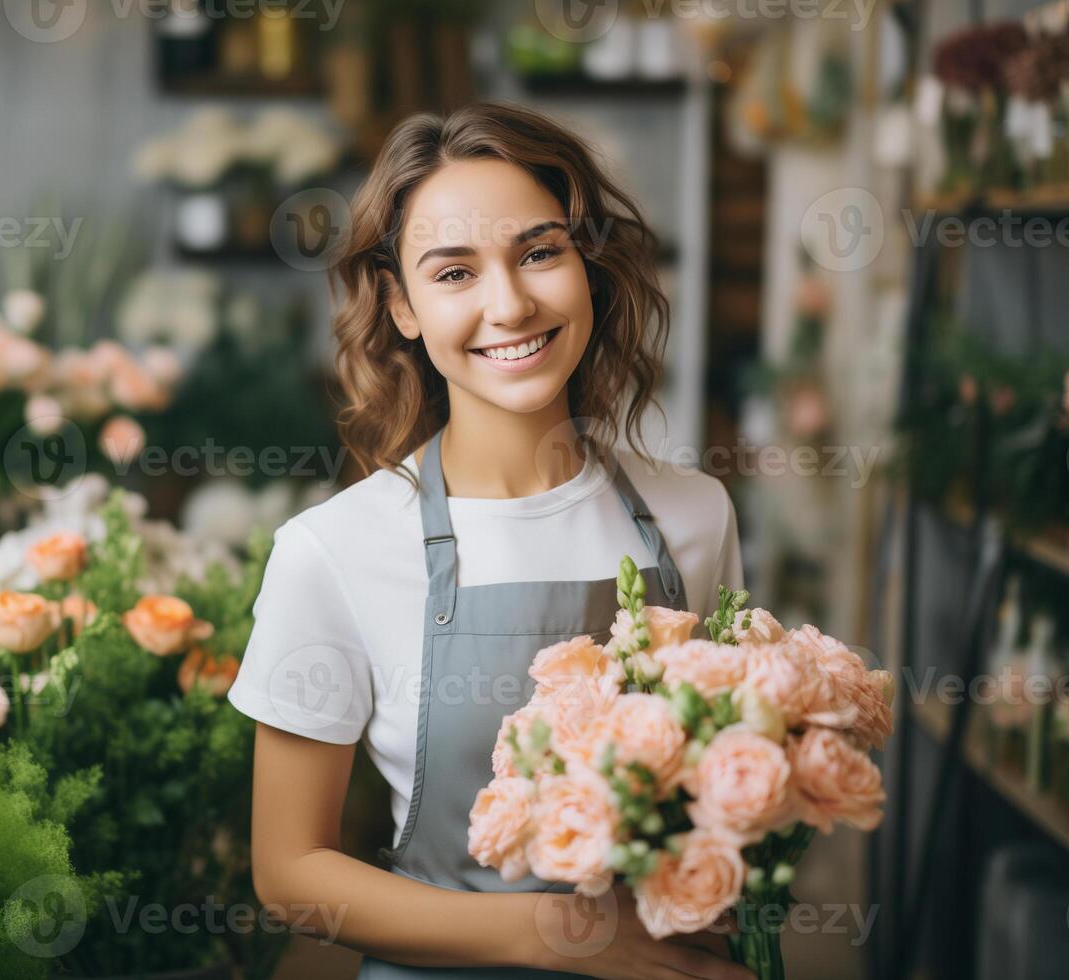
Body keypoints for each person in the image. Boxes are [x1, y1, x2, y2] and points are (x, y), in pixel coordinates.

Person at [227, 101, 752, 980]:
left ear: (588, 264)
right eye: (455, 273)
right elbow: (289, 874)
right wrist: (562, 937)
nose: (509, 304)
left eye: (539, 252)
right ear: (400, 305)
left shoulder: (697, 516)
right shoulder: (333, 549)